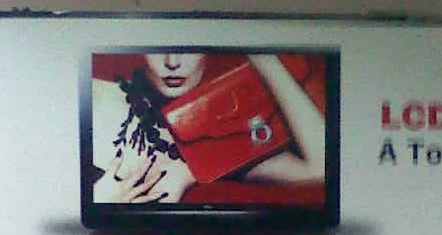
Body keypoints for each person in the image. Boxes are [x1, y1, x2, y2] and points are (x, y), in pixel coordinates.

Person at [92, 50, 326, 204]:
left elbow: (320, 168)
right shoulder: (95, 95)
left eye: (189, 48)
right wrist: (96, 200)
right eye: (158, 47)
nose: (173, 63)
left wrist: (266, 62)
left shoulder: (221, 146)